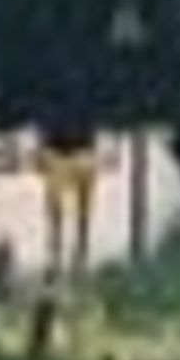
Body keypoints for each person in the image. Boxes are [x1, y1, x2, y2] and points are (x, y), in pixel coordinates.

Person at [39, 113, 103, 290]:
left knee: (82, 208)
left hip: (81, 148)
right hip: (58, 148)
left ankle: (80, 253)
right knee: (56, 206)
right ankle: (56, 252)